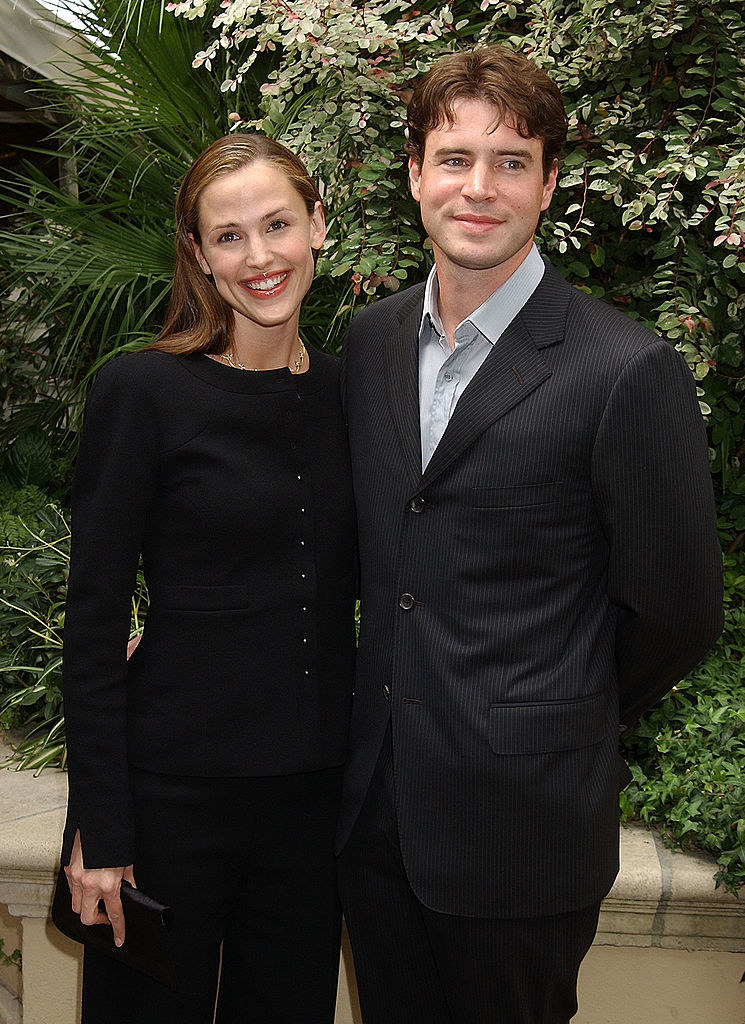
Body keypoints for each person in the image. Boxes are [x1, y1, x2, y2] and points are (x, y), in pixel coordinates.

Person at [336, 46, 723, 1024]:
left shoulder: (624, 371)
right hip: (373, 816)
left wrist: (551, 706)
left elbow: (677, 613)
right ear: (416, 173)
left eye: (510, 161)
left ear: (549, 183)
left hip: (522, 835)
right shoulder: (369, 341)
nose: (478, 186)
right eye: (454, 157)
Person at [60, 133, 357, 1024]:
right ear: (196, 253)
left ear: (318, 225)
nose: (259, 257)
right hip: (168, 803)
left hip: (312, 805)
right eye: (229, 236)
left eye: (277, 224)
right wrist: (100, 831)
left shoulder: (356, 396)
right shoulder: (143, 393)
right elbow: (94, 620)